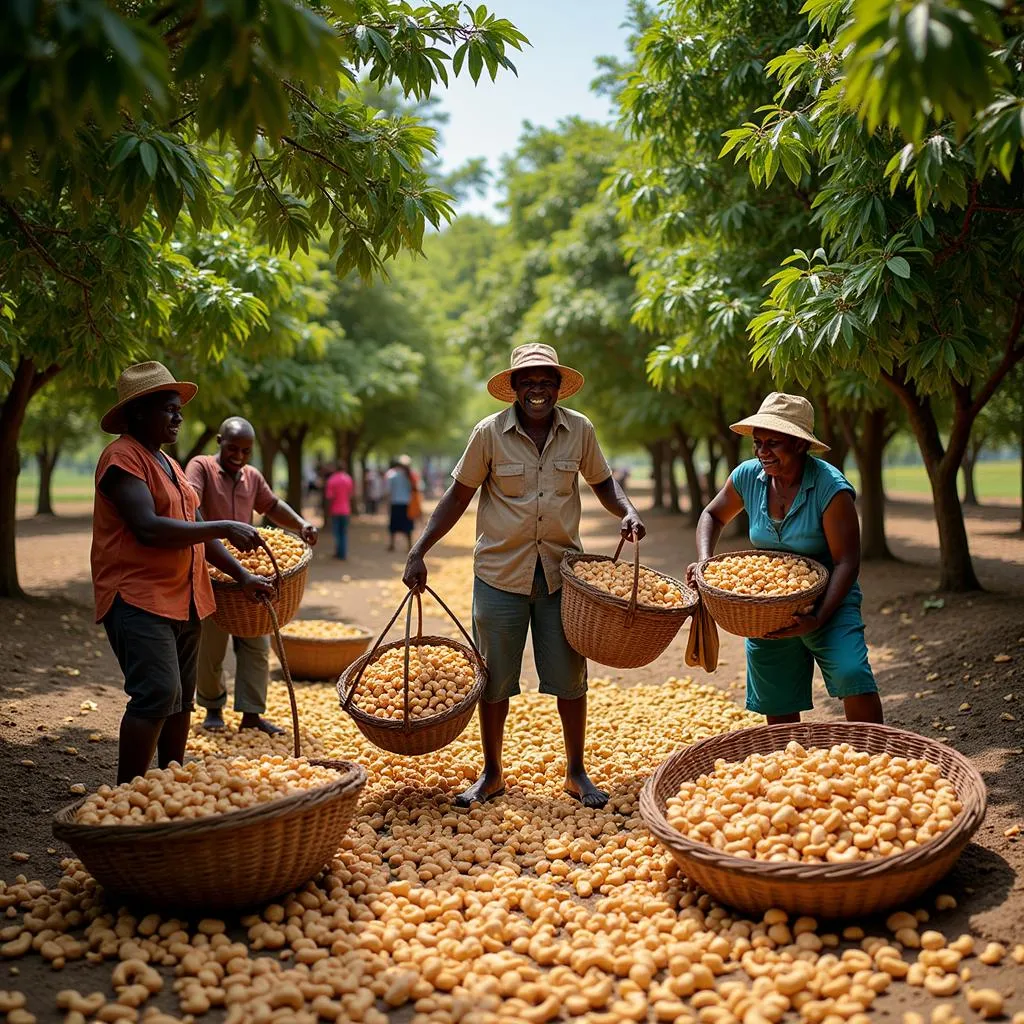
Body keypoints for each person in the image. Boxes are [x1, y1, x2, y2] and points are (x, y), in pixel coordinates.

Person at [403, 343, 645, 809]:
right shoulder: (489, 434)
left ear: (558, 386)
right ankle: (492, 773)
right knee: (493, 681)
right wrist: (419, 549)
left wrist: (628, 510)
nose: (538, 389)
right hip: (499, 574)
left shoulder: (580, 430)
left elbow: (603, 483)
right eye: (528, 381)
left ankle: (576, 771)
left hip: (561, 577)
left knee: (571, 679)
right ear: (514, 388)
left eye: (546, 381)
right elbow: (457, 496)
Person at [91, 363, 273, 784]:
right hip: (139, 597)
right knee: (155, 694)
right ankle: (127, 795)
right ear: (138, 413)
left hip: (186, 597)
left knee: (179, 700)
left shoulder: (170, 465)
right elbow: (148, 527)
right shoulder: (122, 458)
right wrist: (225, 525)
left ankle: (171, 780)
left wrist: (242, 576)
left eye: (179, 410)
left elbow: (195, 533)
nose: (178, 417)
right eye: (168, 409)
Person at [687, 393, 884, 725]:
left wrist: (818, 618)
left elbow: (847, 562)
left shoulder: (830, 489)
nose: (763, 451)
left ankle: (875, 753)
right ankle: (789, 765)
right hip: (766, 606)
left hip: (828, 598)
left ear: (799, 445)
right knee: (774, 692)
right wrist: (705, 563)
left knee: (851, 673)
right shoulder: (748, 476)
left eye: (773, 443)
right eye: (758, 443)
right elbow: (713, 515)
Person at [186, 416, 319, 735]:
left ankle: (251, 713)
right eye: (233, 448)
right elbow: (190, 505)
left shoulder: (252, 477)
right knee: (210, 646)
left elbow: (272, 505)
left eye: (246, 451)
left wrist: (300, 524)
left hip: (250, 572)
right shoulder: (201, 467)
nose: (239, 456)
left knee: (257, 645)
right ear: (219, 441)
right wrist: (215, 534)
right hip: (212, 572)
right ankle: (212, 707)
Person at [325, 461, 354, 559]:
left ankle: (339, 552)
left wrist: (328, 510)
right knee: (344, 532)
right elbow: (350, 494)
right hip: (346, 510)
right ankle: (343, 553)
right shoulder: (348, 478)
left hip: (335, 510)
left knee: (336, 533)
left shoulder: (332, 480)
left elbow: (329, 497)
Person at [386, 456, 415, 552]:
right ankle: (409, 545)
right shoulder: (409, 476)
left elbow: (389, 491)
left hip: (395, 503)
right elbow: (413, 489)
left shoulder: (392, 475)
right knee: (407, 525)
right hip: (406, 503)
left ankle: (392, 545)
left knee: (394, 524)